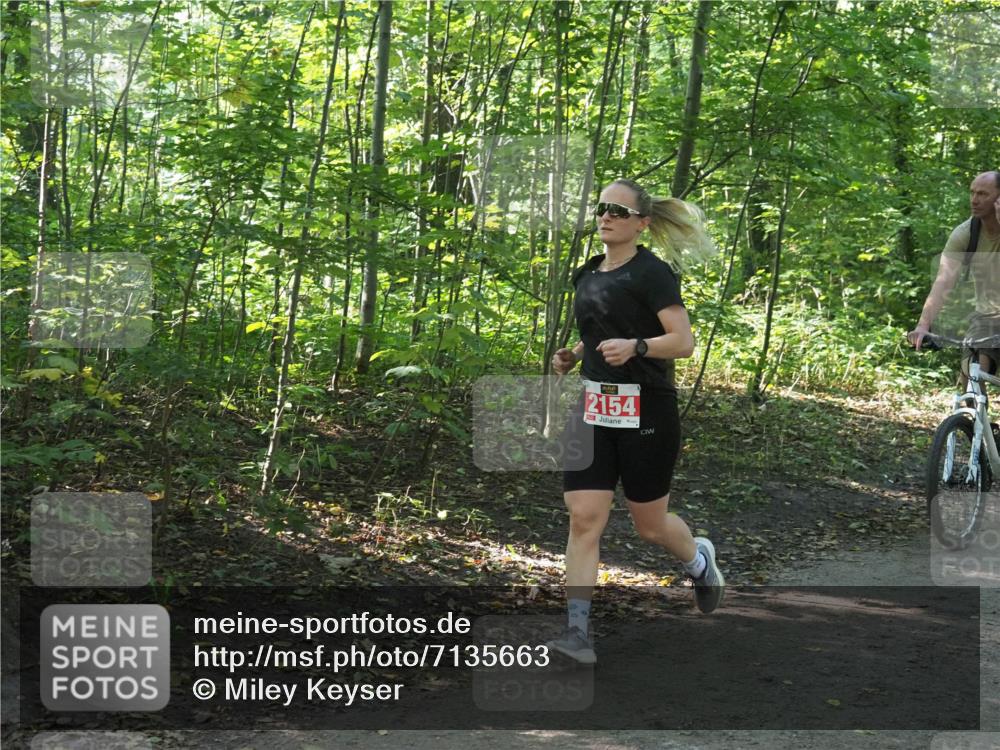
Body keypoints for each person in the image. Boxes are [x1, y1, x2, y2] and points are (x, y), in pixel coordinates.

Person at [547, 178, 723, 665]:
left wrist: (638, 348)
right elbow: (600, 329)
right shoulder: (586, 274)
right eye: (602, 208)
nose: (606, 216)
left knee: (649, 527)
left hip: (647, 408)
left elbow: (682, 342)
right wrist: (574, 355)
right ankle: (577, 635)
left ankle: (698, 560)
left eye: (618, 212)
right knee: (584, 519)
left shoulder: (653, 273)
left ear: (641, 224)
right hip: (592, 410)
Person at [908, 171, 1000, 372]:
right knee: (971, 372)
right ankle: (972, 402)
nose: (974, 200)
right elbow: (943, 281)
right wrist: (923, 326)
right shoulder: (965, 234)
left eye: (983, 194)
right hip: (989, 317)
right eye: (972, 193)